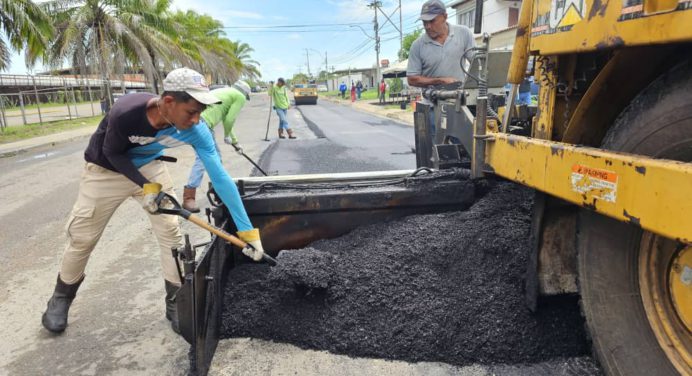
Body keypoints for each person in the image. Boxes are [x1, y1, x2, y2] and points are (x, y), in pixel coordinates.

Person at [40, 68, 267, 336]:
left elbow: (220, 178)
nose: (197, 120)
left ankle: (174, 302)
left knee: (170, 232)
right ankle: (61, 296)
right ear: (169, 102)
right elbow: (111, 152)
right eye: (191, 112)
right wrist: (145, 187)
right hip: (106, 172)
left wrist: (247, 231)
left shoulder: (197, 130)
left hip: (150, 168)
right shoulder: (127, 112)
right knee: (82, 237)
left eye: (200, 113)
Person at [407, 0, 475, 139]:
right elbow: (412, 78)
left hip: (458, 106)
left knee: (462, 150)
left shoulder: (463, 33)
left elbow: (477, 63)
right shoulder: (418, 45)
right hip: (432, 106)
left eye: (432, 21)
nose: (427, 26)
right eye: (424, 22)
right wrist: (440, 80)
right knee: (436, 152)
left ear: (444, 16)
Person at [182, 80, 252, 213]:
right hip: (202, 124)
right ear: (245, 93)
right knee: (204, 159)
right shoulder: (240, 96)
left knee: (215, 158)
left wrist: (235, 141)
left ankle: (219, 190)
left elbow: (227, 119)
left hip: (194, 121)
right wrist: (227, 136)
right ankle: (189, 197)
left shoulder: (226, 92)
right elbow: (230, 119)